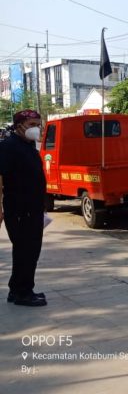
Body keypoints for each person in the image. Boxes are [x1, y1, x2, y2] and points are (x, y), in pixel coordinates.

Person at [0, 110, 47, 306]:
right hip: (19, 209)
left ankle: (18, 289)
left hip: (33, 209)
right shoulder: (8, 147)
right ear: (19, 125)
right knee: (25, 250)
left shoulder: (28, 146)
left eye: (38, 124)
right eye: (31, 124)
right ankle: (23, 293)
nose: (36, 129)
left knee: (29, 250)